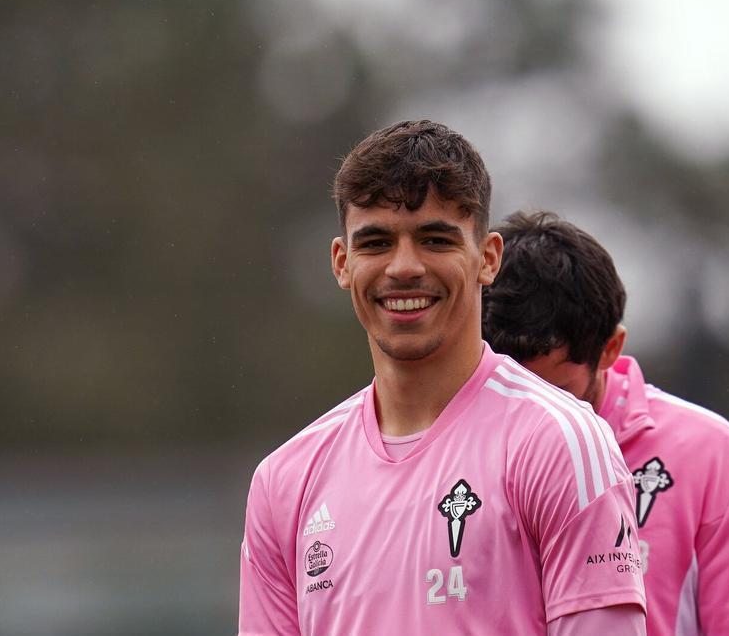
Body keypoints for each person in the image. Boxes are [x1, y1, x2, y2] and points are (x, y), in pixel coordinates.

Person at [238, 121, 647, 635]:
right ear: (342, 264)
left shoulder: (562, 443)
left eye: (435, 239)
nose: (404, 267)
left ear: (488, 258)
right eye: (376, 243)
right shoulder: (285, 480)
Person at [482, 210, 729, 636]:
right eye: (509, 389)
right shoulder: (444, 445)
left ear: (610, 348)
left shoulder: (708, 454)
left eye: (555, 390)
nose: (535, 416)